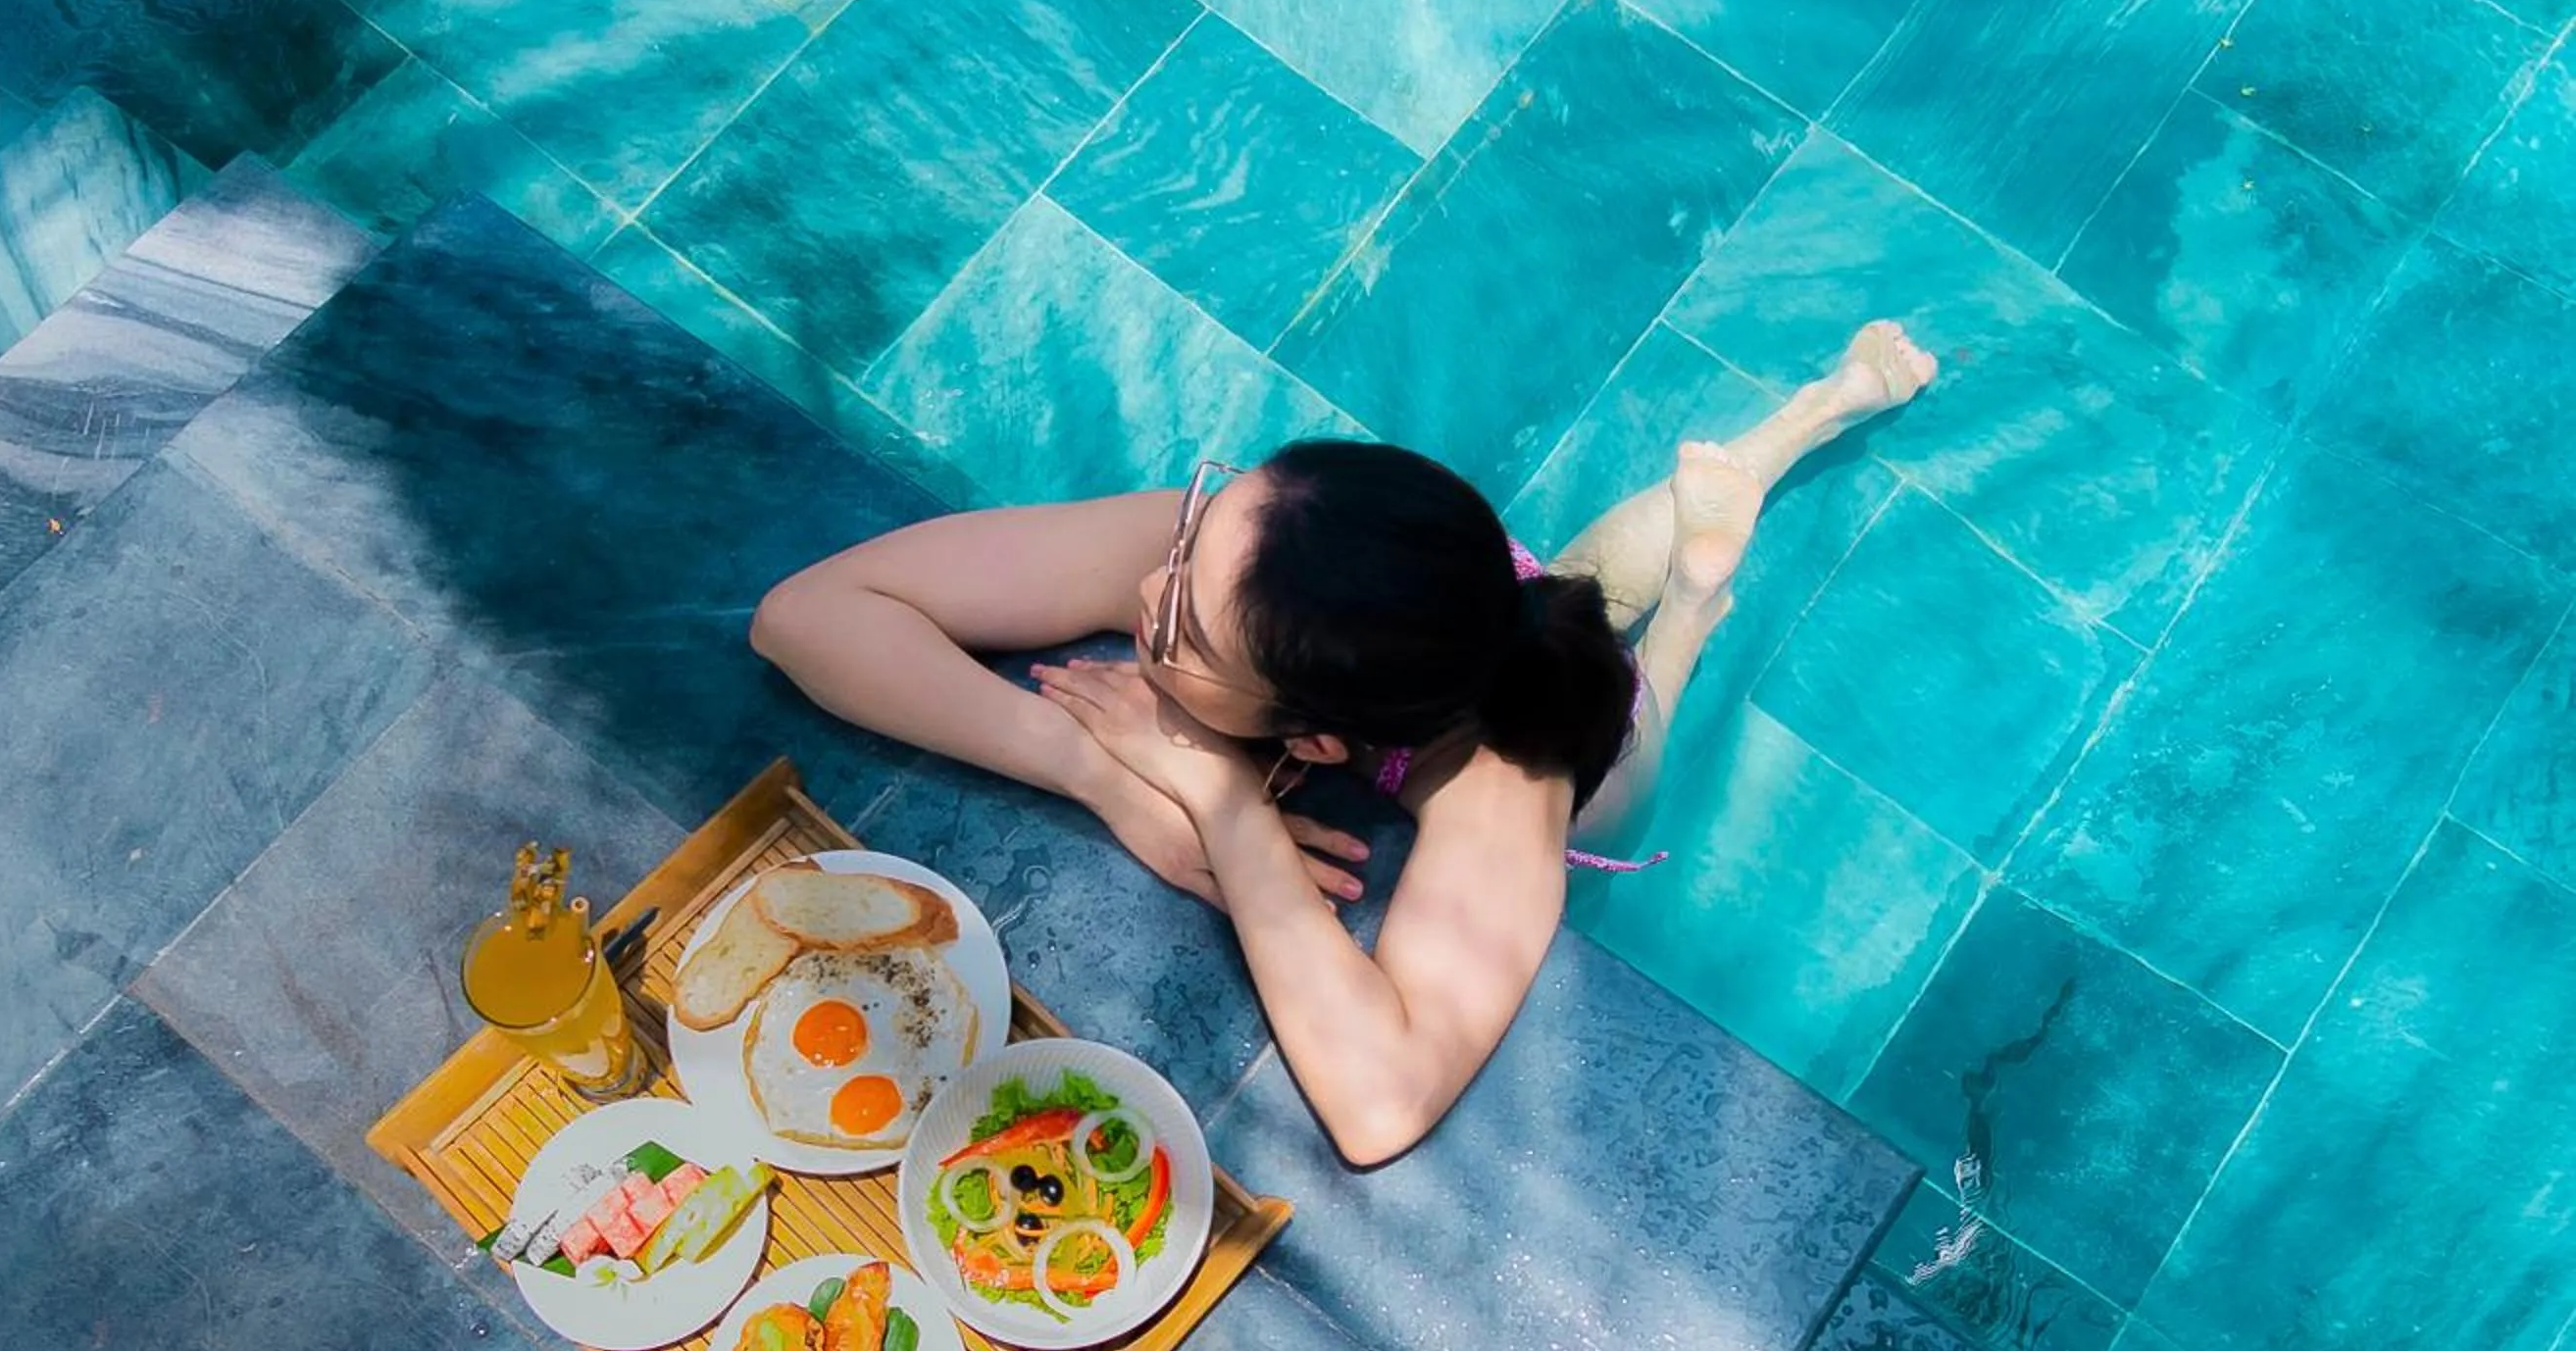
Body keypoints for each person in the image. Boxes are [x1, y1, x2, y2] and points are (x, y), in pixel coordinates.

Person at [750, 323, 1935, 1166]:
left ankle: (1694, 604)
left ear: (1315, 739)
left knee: (1631, 723)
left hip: (1577, 743)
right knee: (1570, 586)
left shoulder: (1508, 799)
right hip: (1494, 607)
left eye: (1179, 625)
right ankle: (1733, 495)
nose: (1148, 586)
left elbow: (1381, 1106)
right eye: (1201, 524)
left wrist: (1223, 802)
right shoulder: (1262, 557)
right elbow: (802, 617)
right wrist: (1092, 770)